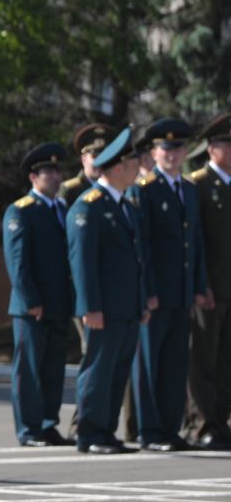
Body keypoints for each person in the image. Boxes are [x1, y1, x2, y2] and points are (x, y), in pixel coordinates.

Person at [127, 117, 208, 451]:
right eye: (164, 149)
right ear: (154, 153)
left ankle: (171, 428)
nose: (171, 155)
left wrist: (199, 286)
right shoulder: (143, 190)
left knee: (175, 366)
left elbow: (196, 243)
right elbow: (141, 249)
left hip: (181, 293)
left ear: (185, 151)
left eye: (177, 148)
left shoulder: (188, 189)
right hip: (157, 295)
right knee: (148, 365)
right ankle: (149, 431)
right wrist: (148, 293)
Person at [67, 127, 148, 454]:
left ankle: (106, 430)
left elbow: (136, 262)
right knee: (98, 371)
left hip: (126, 307)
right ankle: (88, 432)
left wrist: (141, 302)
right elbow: (82, 263)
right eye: (131, 163)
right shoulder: (88, 206)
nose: (136, 168)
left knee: (117, 371)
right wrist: (89, 307)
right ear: (115, 168)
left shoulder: (125, 206)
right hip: (103, 308)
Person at [2, 141, 73, 446]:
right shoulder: (21, 212)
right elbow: (17, 262)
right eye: (48, 171)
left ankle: (47, 423)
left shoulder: (62, 209)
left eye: (58, 170)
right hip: (32, 307)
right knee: (29, 370)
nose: (56, 176)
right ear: (33, 177)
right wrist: (31, 301)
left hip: (58, 304)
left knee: (53, 369)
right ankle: (29, 428)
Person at [187, 112, 231, 448]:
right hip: (210, 289)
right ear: (212, 148)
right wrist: (201, 285)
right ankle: (203, 424)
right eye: (227, 144)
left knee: (226, 359)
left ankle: (220, 420)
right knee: (203, 359)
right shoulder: (198, 185)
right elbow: (195, 242)